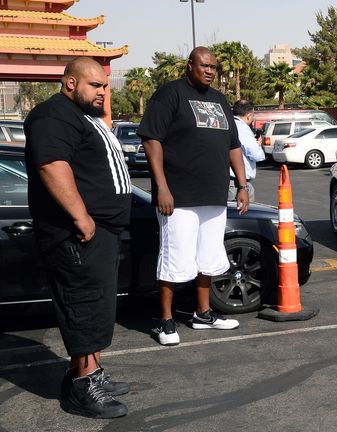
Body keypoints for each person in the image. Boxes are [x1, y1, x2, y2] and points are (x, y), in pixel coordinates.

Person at [24, 57, 131, 418]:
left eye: (105, 86)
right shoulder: (52, 115)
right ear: (70, 83)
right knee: (83, 307)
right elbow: (51, 165)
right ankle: (83, 389)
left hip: (102, 232)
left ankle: (91, 374)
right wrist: (81, 217)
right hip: (77, 234)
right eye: (95, 86)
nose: (103, 92)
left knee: (98, 307)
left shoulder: (83, 116)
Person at [138, 47, 249, 346]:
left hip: (214, 195)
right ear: (190, 65)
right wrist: (161, 186)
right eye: (204, 65)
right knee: (175, 258)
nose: (210, 71)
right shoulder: (170, 94)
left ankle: (203, 314)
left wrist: (242, 185)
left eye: (214, 66)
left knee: (208, 257)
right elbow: (152, 140)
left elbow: (233, 145)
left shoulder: (220, 100)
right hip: (178, 197)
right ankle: (165, 321)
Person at [228, 100, 265, 202]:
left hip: (229, 181)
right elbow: (256, 154)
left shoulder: (229, 124)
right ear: (249, 115)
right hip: (237, 184)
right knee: (243, 215)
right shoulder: (243, 128)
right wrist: (257, 145)